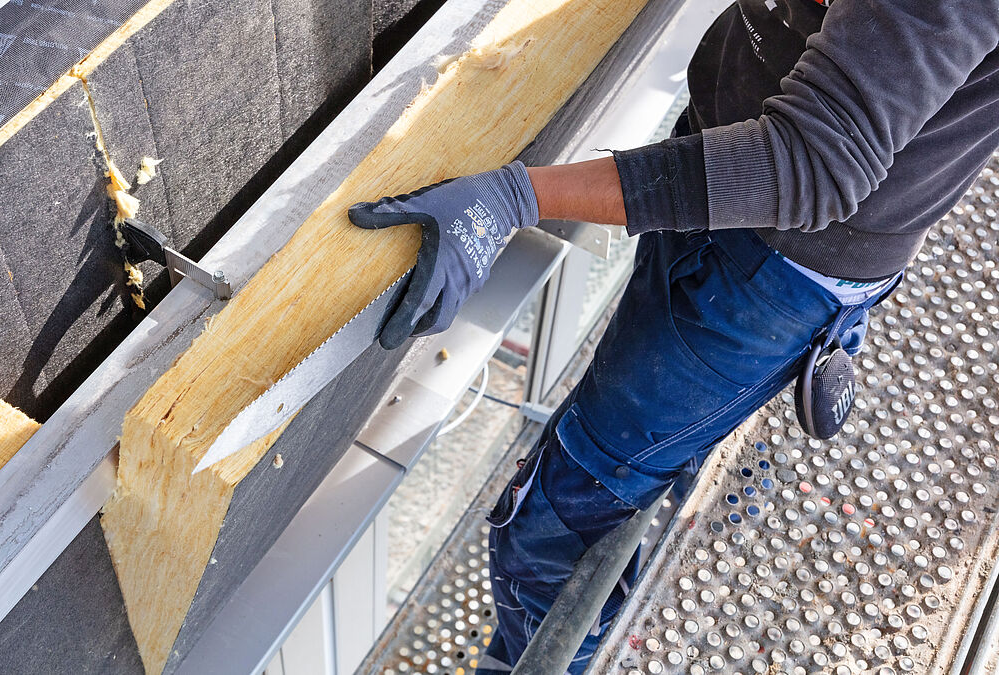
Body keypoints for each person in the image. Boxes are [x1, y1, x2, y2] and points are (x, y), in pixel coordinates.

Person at [348, 1, 999, 672]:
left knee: (550, 532)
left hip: (768, 273)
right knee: (629, 468)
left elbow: (810, 163)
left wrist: (515, 198)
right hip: (721, 161)